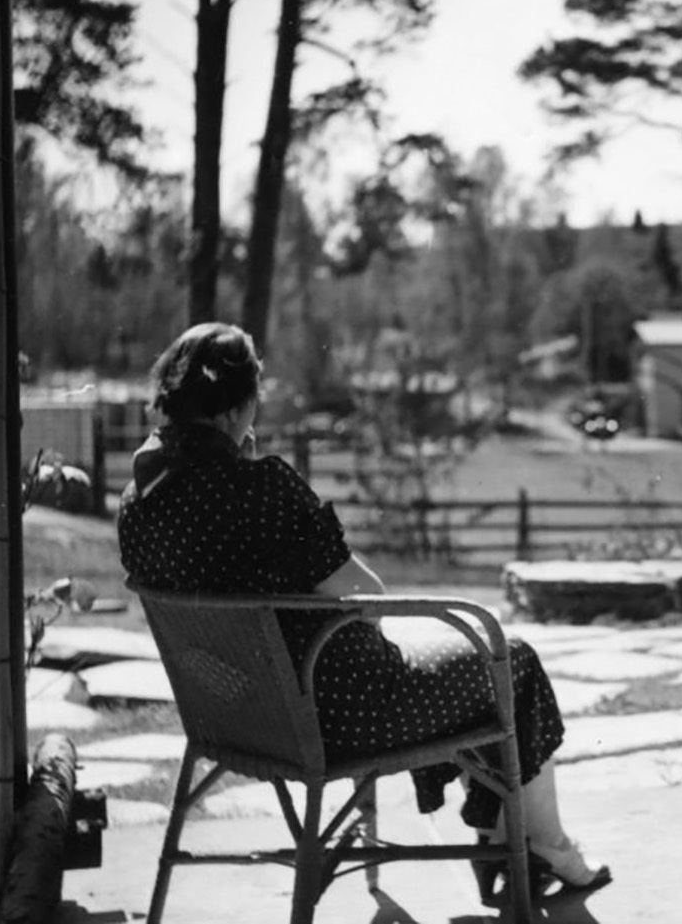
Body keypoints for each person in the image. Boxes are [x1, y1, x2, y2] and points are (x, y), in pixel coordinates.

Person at [117, 322, 609, 904]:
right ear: (234, 408)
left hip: (236, 720)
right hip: (341, 717)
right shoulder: (259, 489)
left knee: (453, 663)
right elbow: (366, 596)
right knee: (509, 658)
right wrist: (252, 472)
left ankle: (504, 840)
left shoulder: (138, 504)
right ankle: (535, 845)